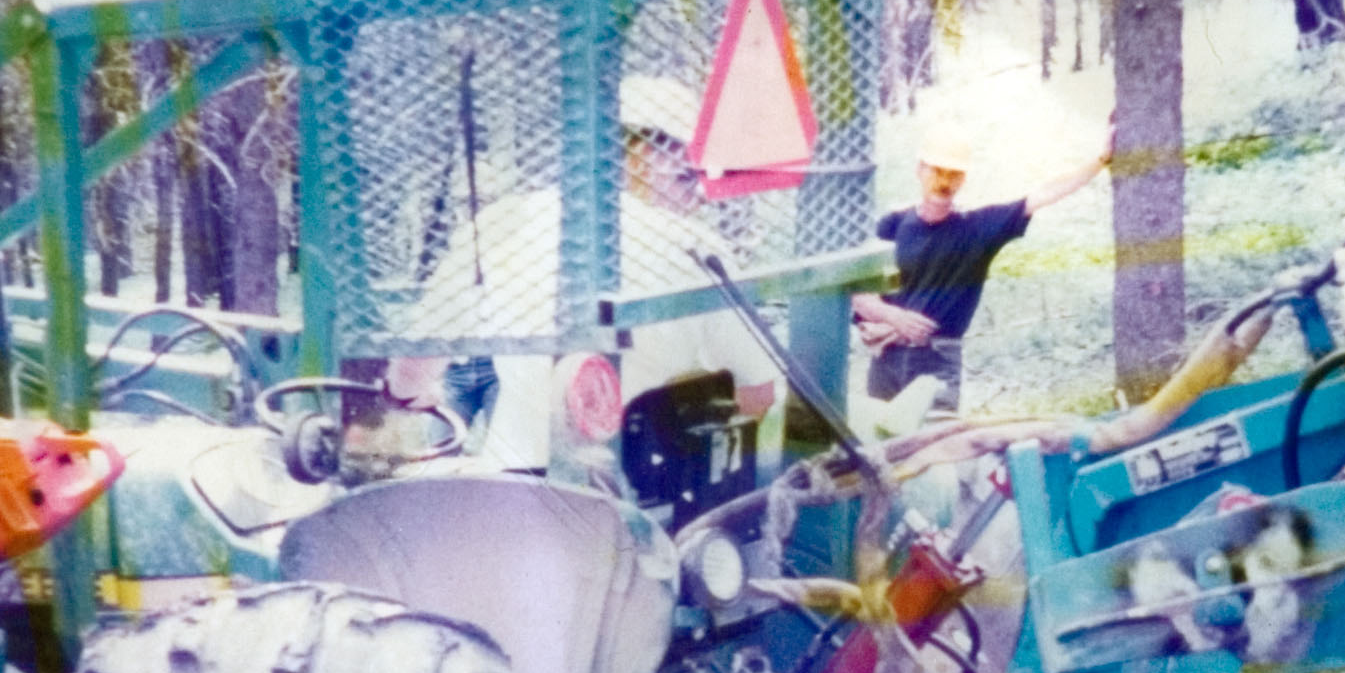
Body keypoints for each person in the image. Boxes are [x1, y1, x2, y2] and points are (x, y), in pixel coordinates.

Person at [396, 74, 777, 519]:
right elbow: (759, 394)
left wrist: (406, 391)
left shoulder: (503, 222)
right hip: (645, 510)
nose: (697, 192)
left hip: (518, 498)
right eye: (686, 171)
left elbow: (416, 363)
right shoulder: (699, 249)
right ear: (639, 156)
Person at [853, 124, 1112, 420]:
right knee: (879, 448)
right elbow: (858, 296)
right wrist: (894, 317)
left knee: (934, 447)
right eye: (937, 170)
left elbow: (1044, 193)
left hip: (936, 359)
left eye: (954, 174)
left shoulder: (977, 228)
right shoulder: (891, 225)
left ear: (964, 179)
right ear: (919, 170)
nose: (944, 181)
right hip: (885, 360)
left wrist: (1101, 159)